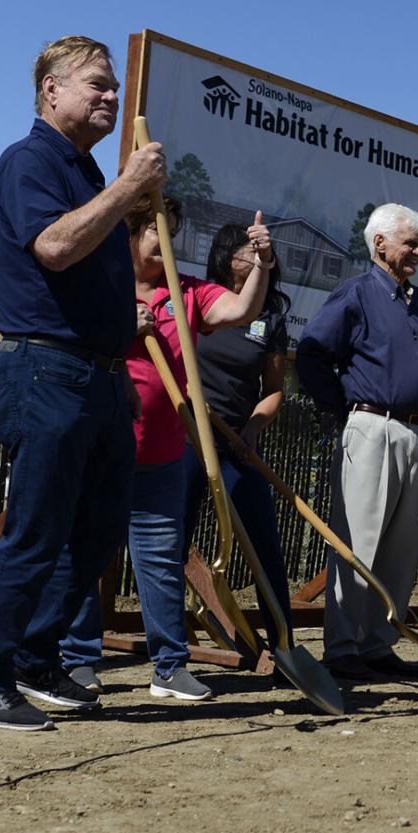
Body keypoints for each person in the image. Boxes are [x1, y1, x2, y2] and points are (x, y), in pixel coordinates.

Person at [0, 35, 167, 731]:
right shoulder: (29, 161)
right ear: (51, 89)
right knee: (38, 530)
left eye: (113, 87)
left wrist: (119, 363)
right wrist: (129, 190)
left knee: (98, 532)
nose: (111, 97)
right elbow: (54, 247)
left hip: (99, 379)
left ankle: (37, 658)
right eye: (96, 84)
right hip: (45, 369)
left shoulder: (86, 174)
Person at [57, 197, 276, 701]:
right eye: (159, 230)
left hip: (163, 452)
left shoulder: (187, 292)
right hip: (104, 444)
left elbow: (243, 309)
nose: (169, 242)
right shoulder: (99, 288)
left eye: (173, 231)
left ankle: (169, 666)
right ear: (129, 234)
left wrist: (261, 263)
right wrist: (119, 328)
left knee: (159, 558)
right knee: (90, 553)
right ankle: (79, 659)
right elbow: (65, 339)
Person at [295, 203, 418, 680]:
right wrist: (343, 409)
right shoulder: (356, 293)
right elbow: (312, 354)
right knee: (358, 540)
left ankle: (378, 642)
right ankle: (343, 646)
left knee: (403, 544)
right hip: (371, 426)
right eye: (409, 243)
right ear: (380, 244)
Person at [180, 222, 293, 653]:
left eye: (261, 254)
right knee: (173, 536)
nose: (256, 259)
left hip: (236, 444)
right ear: (226, 257)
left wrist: (251, 428)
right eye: (247, 252)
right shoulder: (200, 300)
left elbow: (275, 390)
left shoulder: (270, 314)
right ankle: (171, 646)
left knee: (263, 540)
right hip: (188, 436)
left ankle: (283, 644)